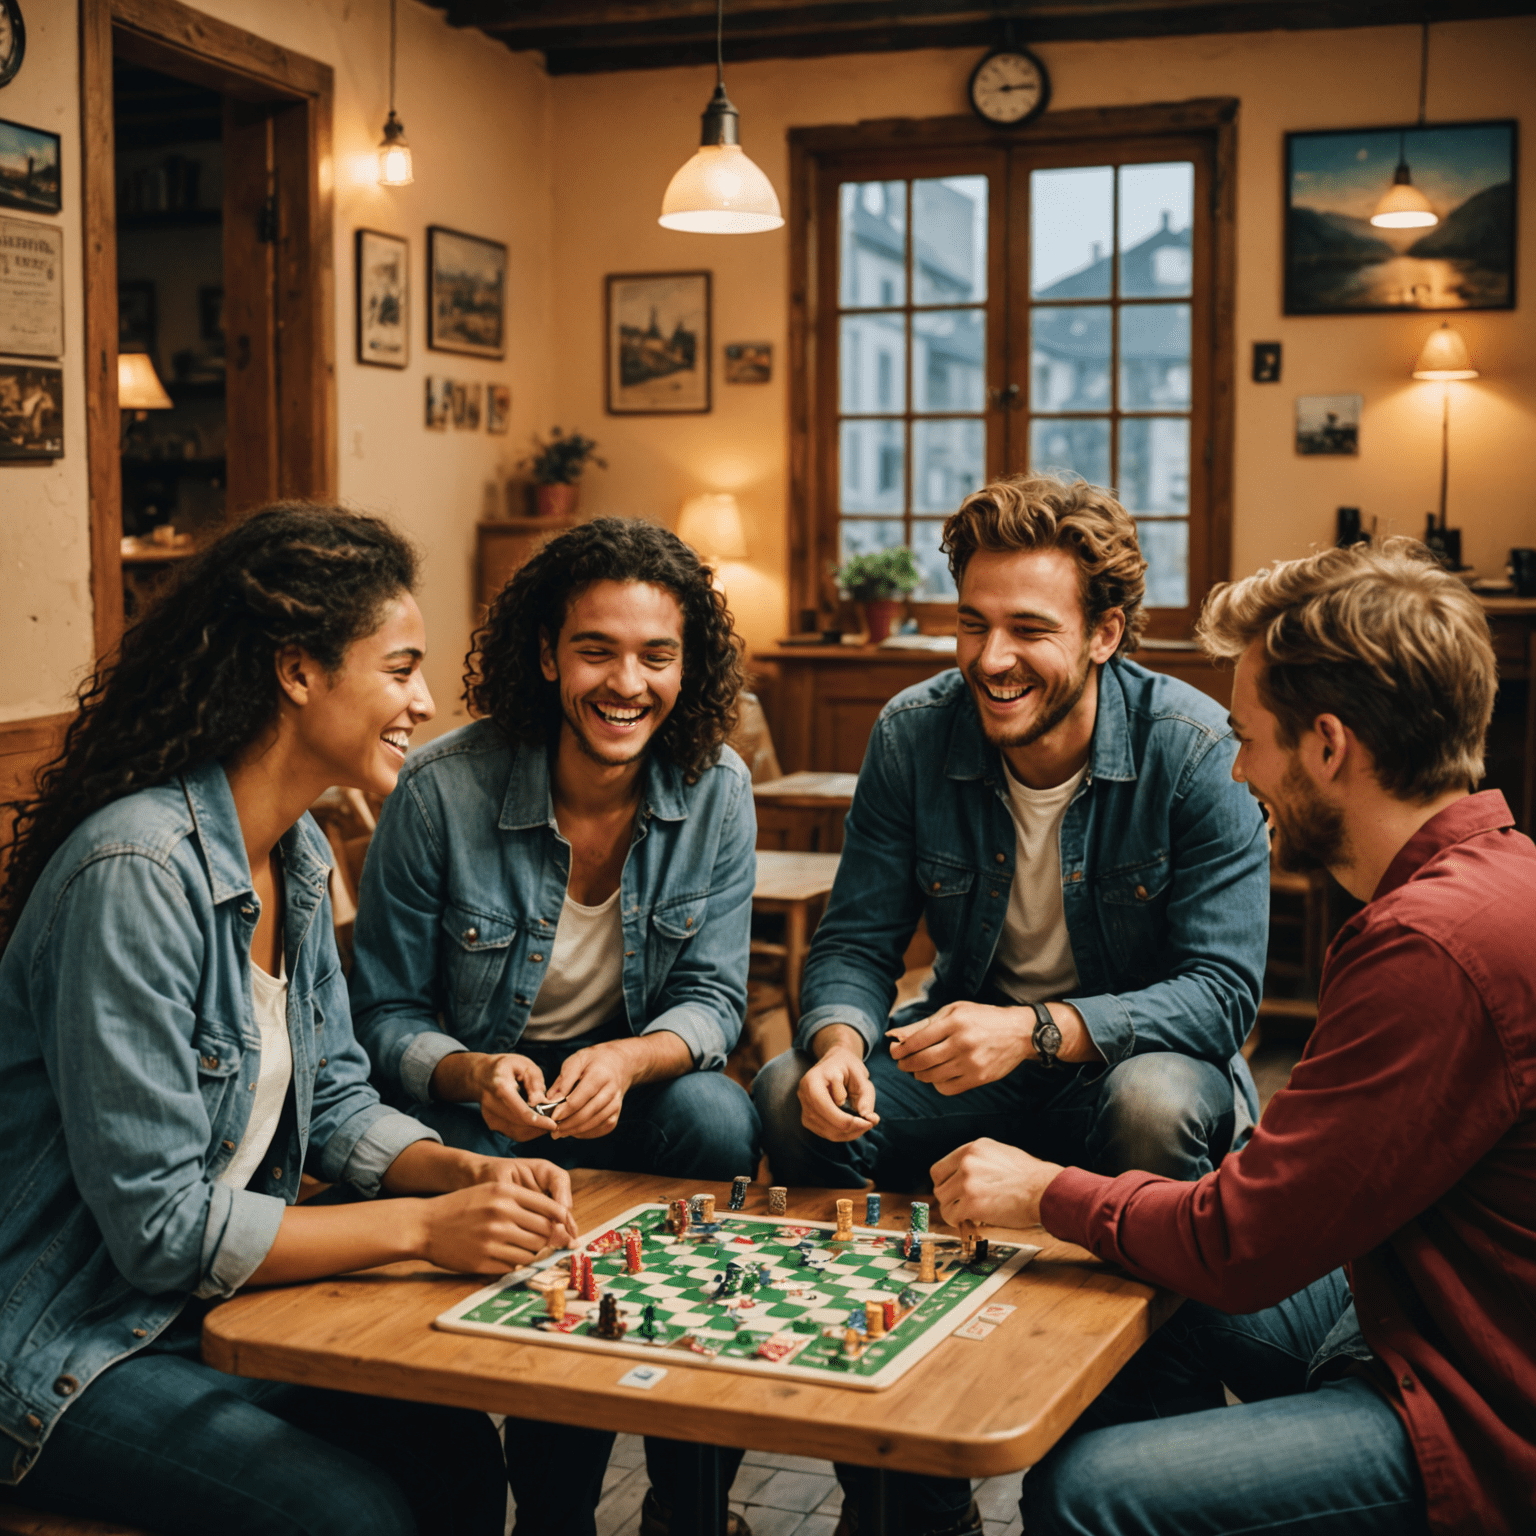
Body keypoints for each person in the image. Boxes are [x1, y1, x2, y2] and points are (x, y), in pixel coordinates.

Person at [934, 539, 1536, 1536]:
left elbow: (1240, 1245)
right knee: (1152, 1280)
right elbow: (1280, 1213)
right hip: (1414, 1313)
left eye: (1249, 737)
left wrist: (1044, 1191)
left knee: (1088, 1491)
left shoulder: (1430, 947)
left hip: (1479, 1409)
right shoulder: (1487, 879)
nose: (1239, 766)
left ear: (1329, 746)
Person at [0, 505, 580, 1536]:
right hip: (67, 1344)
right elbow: (162, 1230)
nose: (425, 701)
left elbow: (338, 1096)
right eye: (400, 669)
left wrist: (459, 1173)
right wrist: (424, 1228)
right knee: (352, 1515)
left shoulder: (297, 851)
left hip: (199, 1316)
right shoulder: (135, 874)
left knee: (452, 1455)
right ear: (298, 670)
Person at [752, 474, 1270, 1535]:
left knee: (1155, 1105)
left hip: (1126, 1068)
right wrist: (839, 1042)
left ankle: (1116, 1476)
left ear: (1105, 634)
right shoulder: (913, 733)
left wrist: (1038, 1032)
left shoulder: (1195, 747)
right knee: (783, 1093)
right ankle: (907, 1489)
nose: (992, 659)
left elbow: (1222, 997)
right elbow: (856, 939)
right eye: (972, 624)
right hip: (964, 1065)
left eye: (1030, 629)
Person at [349, 516, 761, 1536]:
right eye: (596, 650)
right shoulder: (440, 791)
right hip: (478, 1101)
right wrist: (474, 1072)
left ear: (687, 666)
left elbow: (714, 1001)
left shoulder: (718, 787)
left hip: (629, 1090)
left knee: (718, 1117)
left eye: (656, 655)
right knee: (547, 1226)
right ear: (546, 655)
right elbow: (380, 1016)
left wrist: (625, 1058)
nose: (627, 683)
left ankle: (689, 1506)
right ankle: (555, 1513)